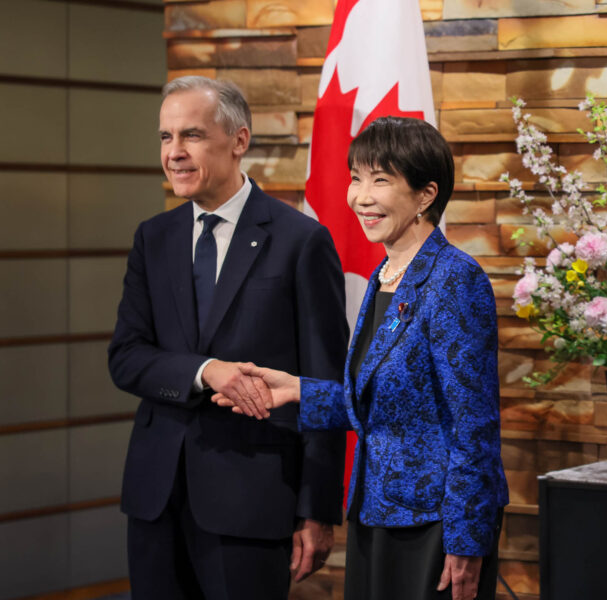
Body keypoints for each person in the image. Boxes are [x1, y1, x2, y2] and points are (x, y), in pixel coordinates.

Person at [213, 116, 508, 600]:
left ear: (426, 195)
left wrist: (467, 540)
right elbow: (386, 403)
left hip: (434, 525)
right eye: (356, 178)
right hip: (376, 512)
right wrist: (298, 390)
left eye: (380, 180)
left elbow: (474, 427)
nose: (360, 197)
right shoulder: (386, 274)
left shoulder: (455, 279)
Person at [108, 76, 350, 599]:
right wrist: (205, 371)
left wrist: (317, 509)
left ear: (239, 140)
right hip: (155, 499)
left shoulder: (301, 241)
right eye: (166, 137)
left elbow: (325, 382)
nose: (174, 152)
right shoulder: (153, 238)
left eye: (191, 135)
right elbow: (126, 357)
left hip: (252, 502)